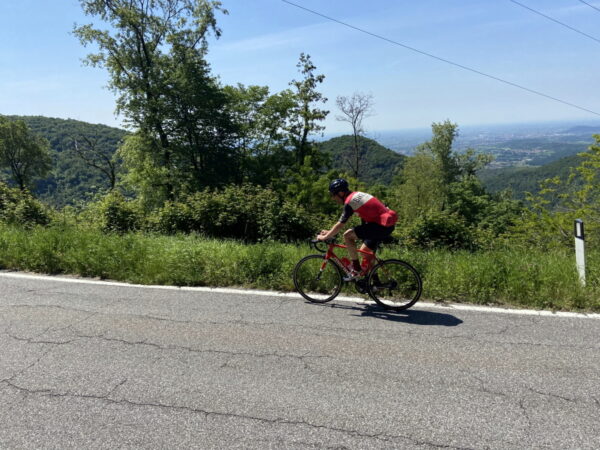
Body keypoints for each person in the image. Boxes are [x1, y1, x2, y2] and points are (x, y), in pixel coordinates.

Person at [317, 178, 398, 280]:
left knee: (347, 235)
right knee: (365, 252)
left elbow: (341, 224)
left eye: (333, 195)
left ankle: (356, 269)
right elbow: (343, 222)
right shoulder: (356, 195)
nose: (333, 198)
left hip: (381, 225)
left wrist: (325, 237)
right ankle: (375, 284)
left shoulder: (349, 201)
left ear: (341, 193)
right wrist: (329, 232)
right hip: (385, 224)